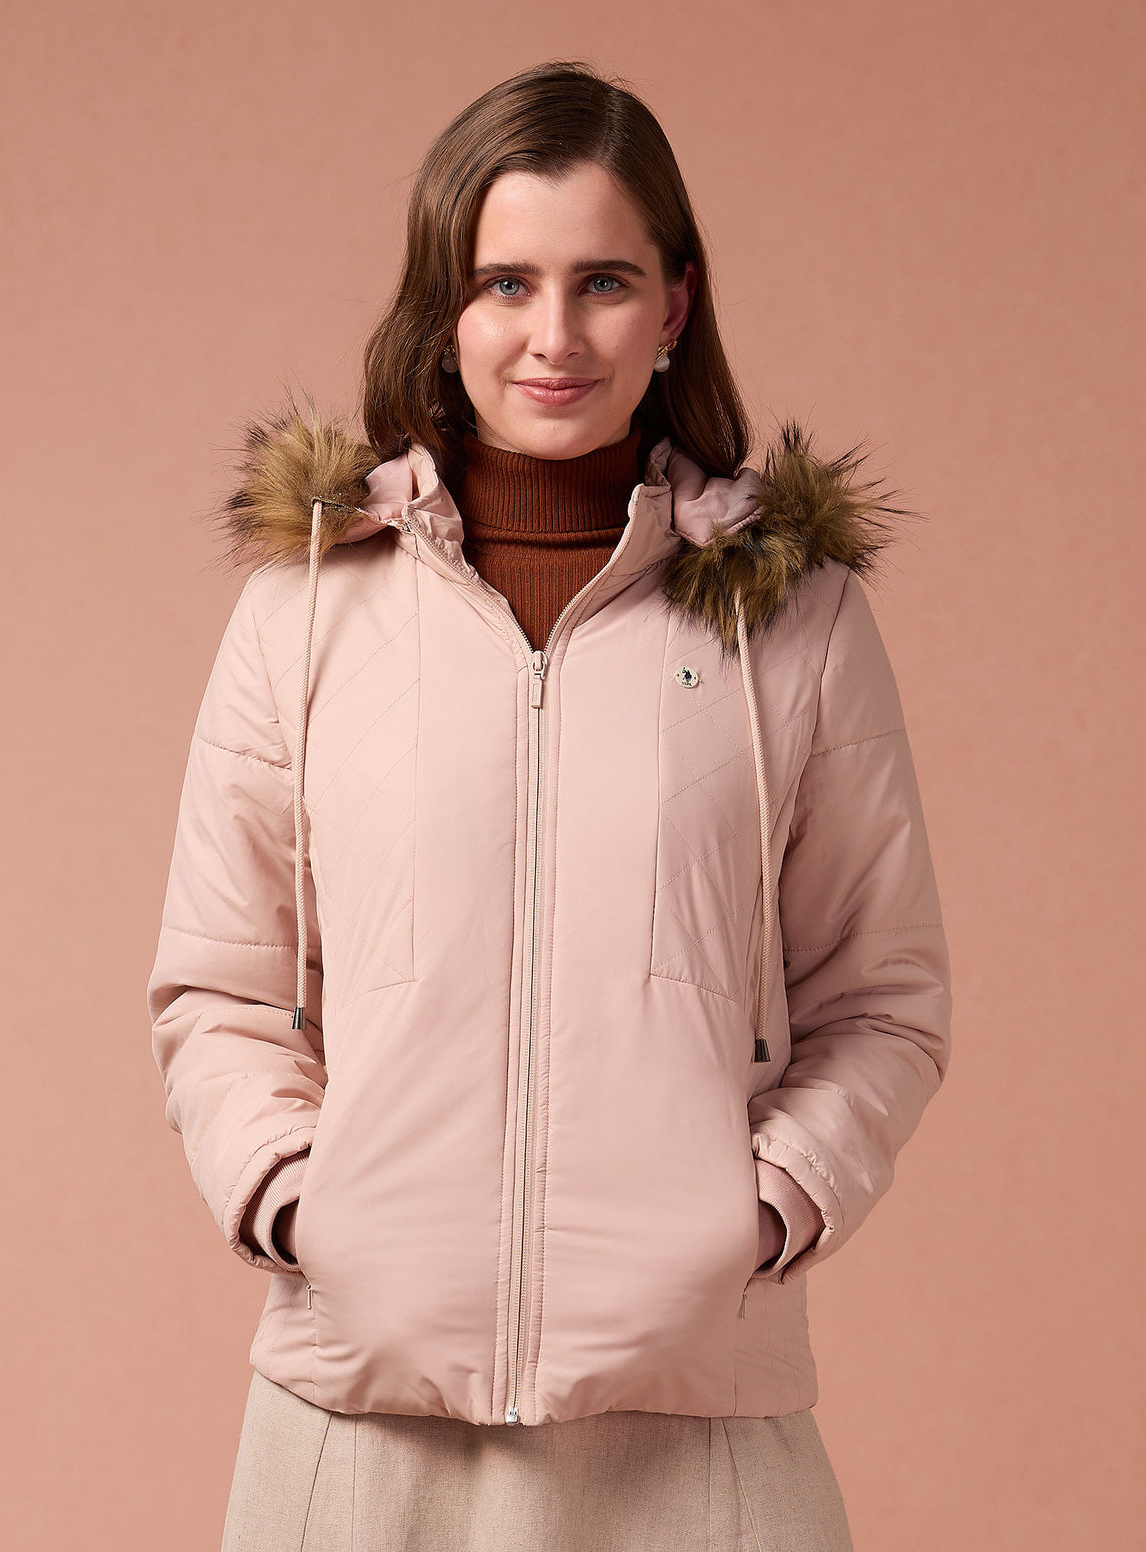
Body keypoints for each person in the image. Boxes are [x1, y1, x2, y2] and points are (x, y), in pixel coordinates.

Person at [147, 58, 951, 1552]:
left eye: (605, 282)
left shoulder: (796, 625)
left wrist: (758, 1214)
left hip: (693, 1424)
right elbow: (220, 988)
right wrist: (304, 1208)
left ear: (676, 304)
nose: (555, 336)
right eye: (505, 282)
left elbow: (882, 1000)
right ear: (444, 311)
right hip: (356, 1434)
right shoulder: (306, 613)